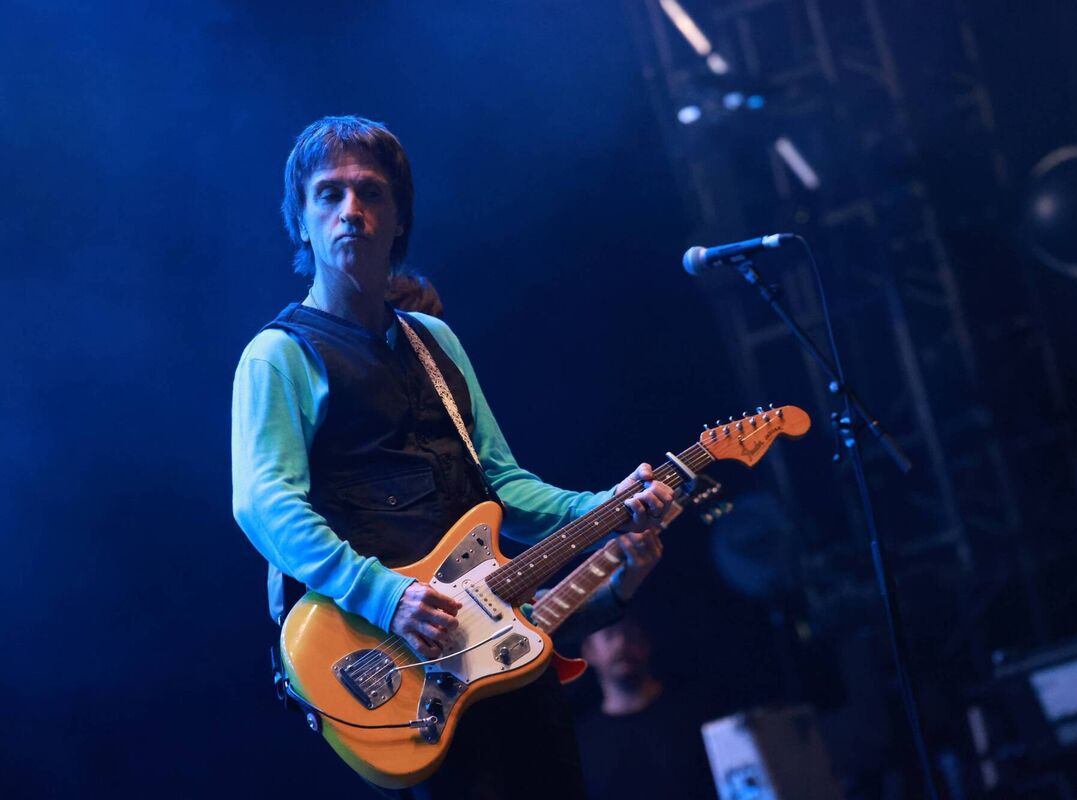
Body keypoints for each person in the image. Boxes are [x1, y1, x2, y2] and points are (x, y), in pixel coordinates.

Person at [231, 115, 673, 799]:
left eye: (371, 193)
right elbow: (264, 503)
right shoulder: (278, 355)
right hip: (399, 667)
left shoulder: (435, 340)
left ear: (399, 217)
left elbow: (501, 484)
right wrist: (387, 595)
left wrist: (608, 505)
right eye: (329, 194)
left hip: (498, 649)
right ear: (301, 220)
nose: (351, 211)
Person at [576, 616, 719, 800]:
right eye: (609, 635)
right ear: (588, 651)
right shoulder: (583, 744)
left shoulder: (698, 714)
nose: (622, 643)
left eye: (629, 633)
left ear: (645, 642)